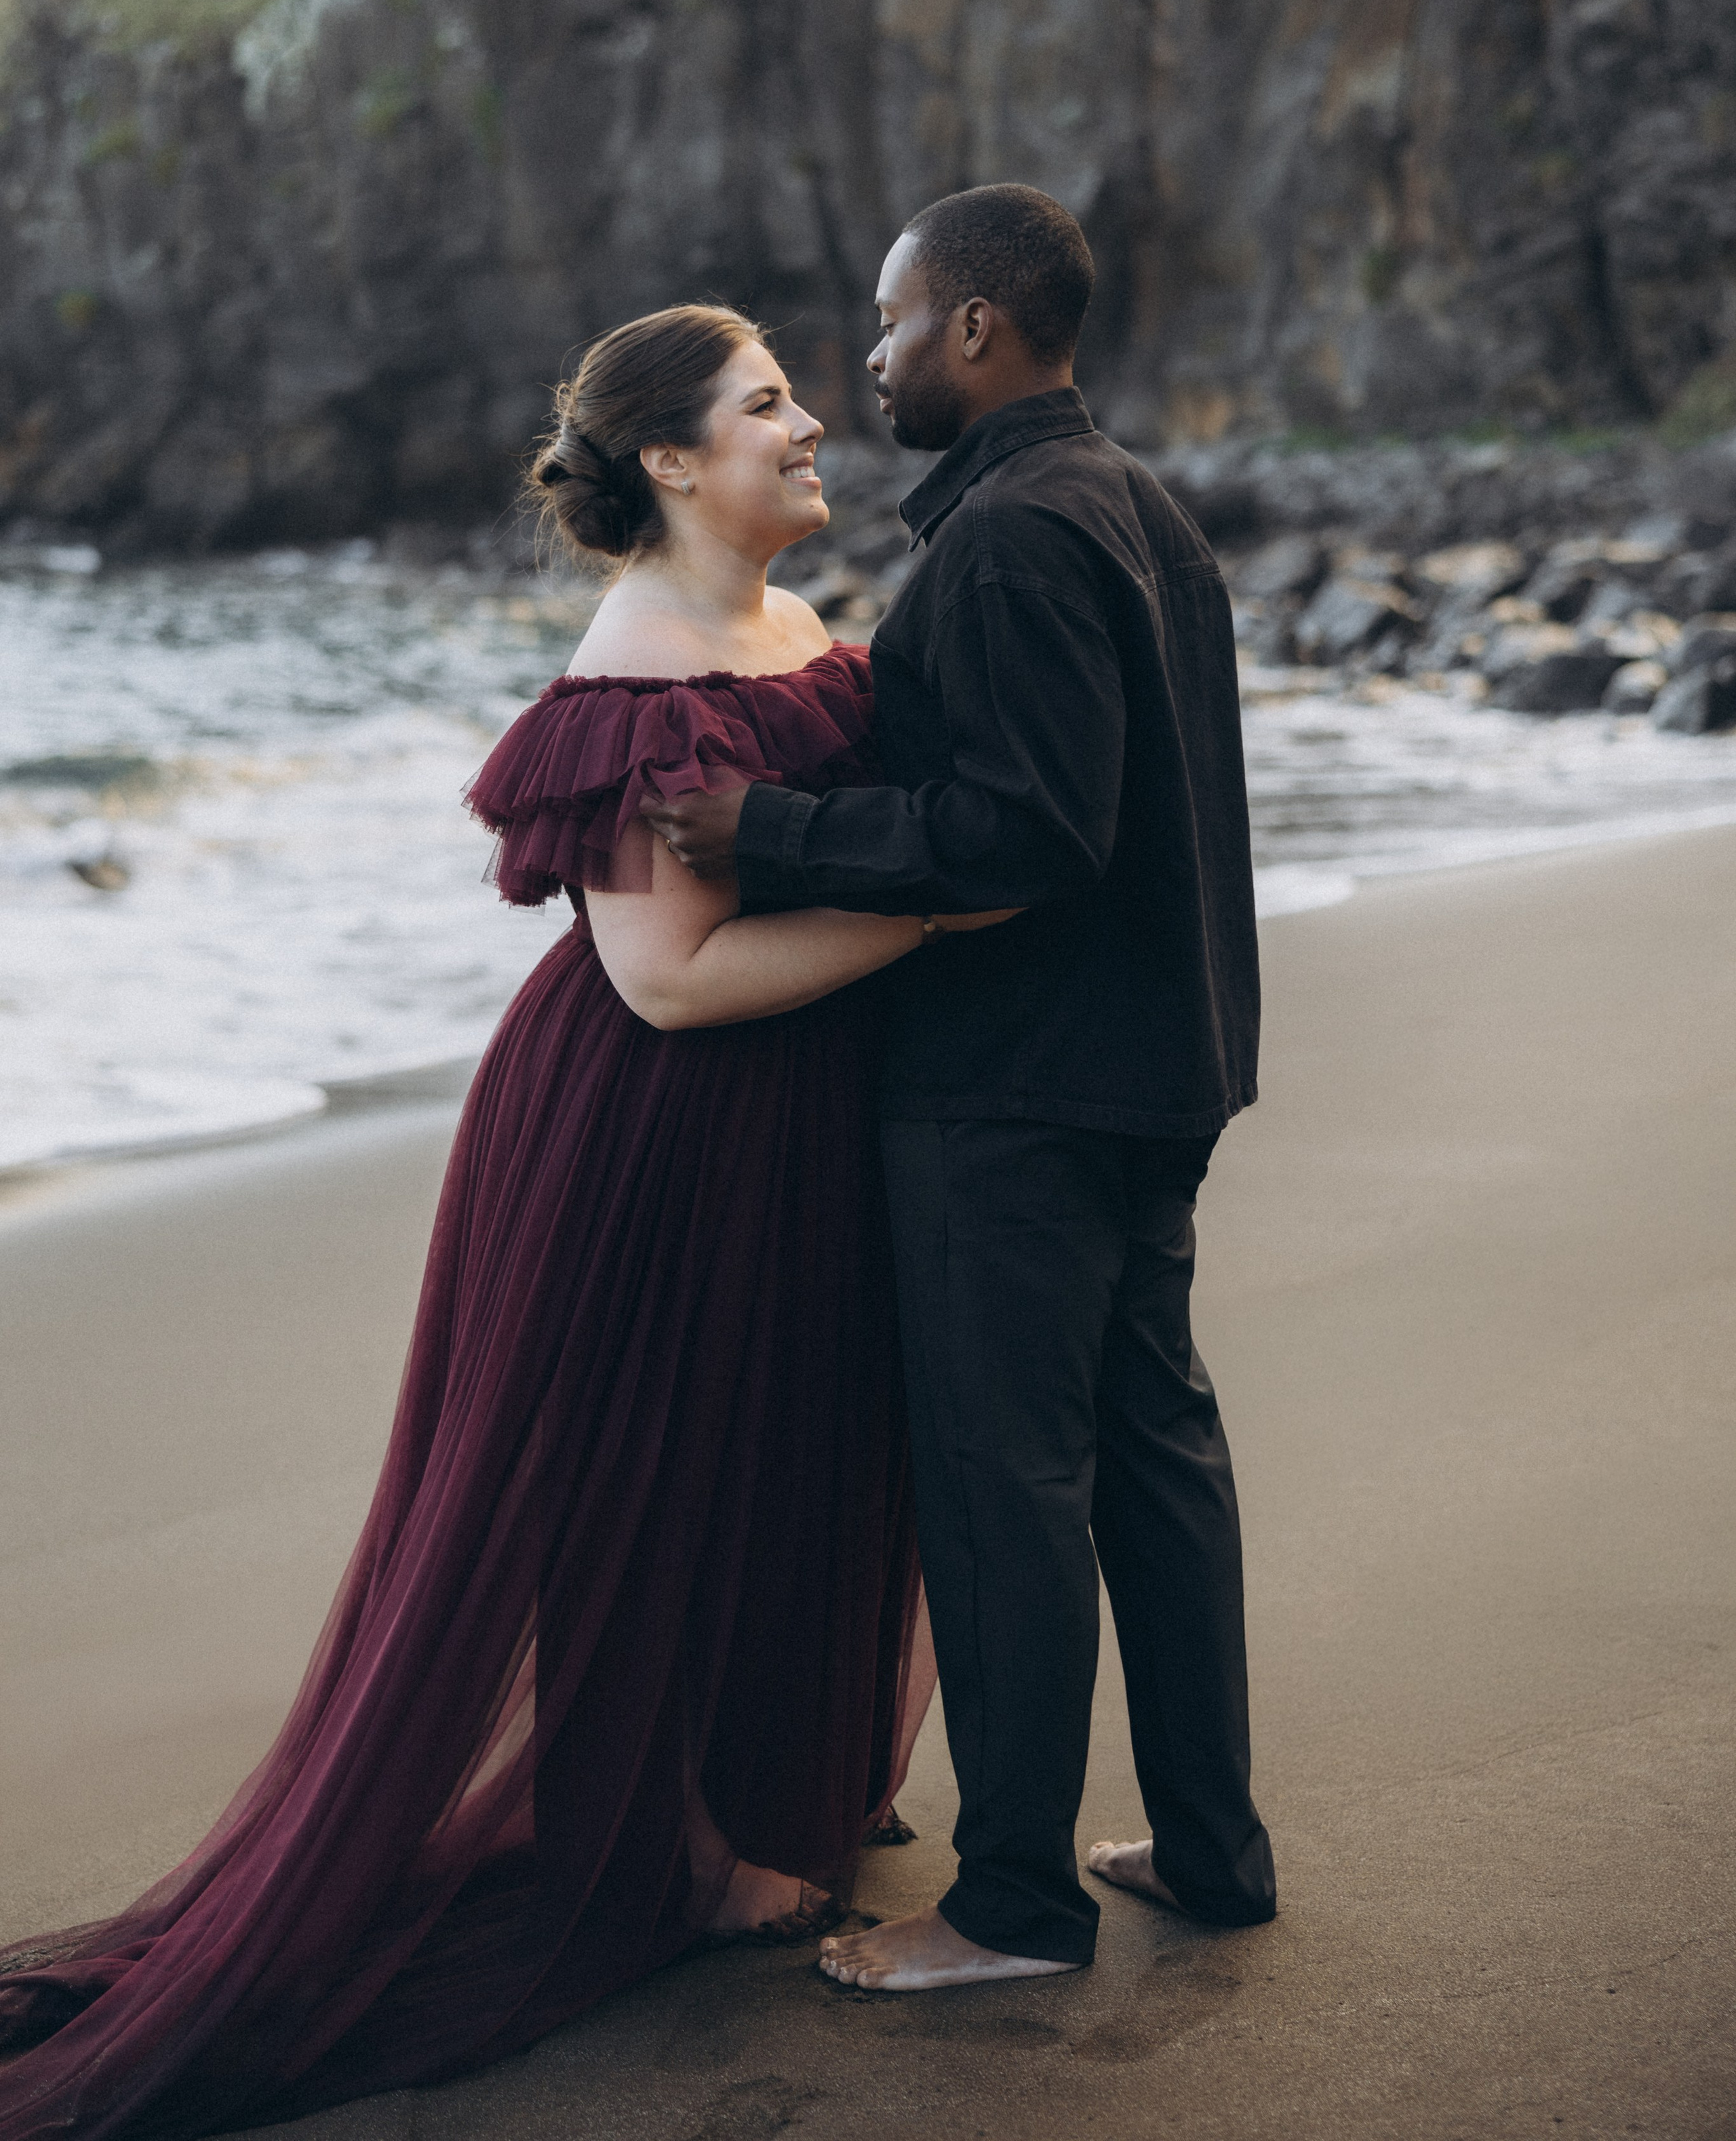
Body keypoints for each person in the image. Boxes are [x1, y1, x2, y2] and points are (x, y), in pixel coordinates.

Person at [0, 305, 1001, 2138]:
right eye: (766, 405)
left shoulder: (792, 630)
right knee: (645, 1481)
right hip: (650, 1137)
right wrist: (945, 923)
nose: (810, 425)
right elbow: (672, 983)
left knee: (778, 1454)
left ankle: (752, 1793)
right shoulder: (632, 682)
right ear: (677, 465)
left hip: (787, 1121)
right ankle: (683, 1857)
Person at [644, 186, 1278, 1993]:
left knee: (1005, 1489)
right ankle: (1215, 1852)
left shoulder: (1009, 540)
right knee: (1158, 1461)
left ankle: (1012, 1906)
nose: (870, 355)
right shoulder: (1139, 507)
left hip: (1018, 1088)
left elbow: (1028, 831)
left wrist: (764, 828)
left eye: (894, 317)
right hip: (1160, 1064)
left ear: (980, 331)